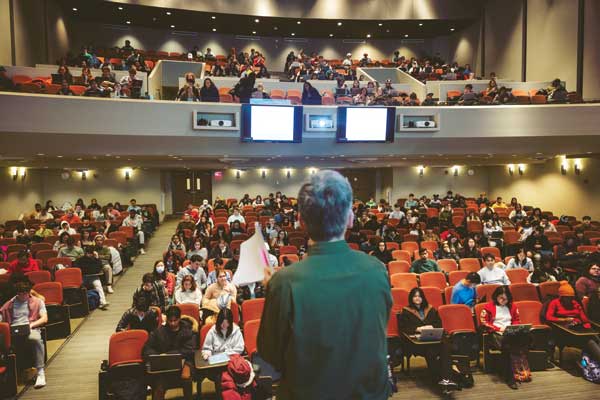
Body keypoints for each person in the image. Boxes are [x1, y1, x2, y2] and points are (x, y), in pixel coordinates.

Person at [259, 170, 392, 399]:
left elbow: (270, 354)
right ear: (350, 217)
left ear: (300, 220)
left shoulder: (284, 283)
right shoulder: (377, 270)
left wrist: (275, 290)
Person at [398, 288, 457, 391]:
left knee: (445, 347)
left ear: (423, 297)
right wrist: (417, 329)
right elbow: (403, 328)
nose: (417, 298)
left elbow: (439, 324)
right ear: (411, 298)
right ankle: (443, 379)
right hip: (417, 343)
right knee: (431, 352)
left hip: (432, 339)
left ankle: (445, 379)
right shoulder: (406, 311)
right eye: (415, 296)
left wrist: (431, 327)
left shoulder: (431, 309)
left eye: (419, 296)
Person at [478, 286, 529, 389]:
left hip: (510, 332)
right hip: (495, 333)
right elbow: (484, 322)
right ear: (496, 296)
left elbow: (516, 320)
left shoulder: (512, 306)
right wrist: (498, 328)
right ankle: (510, 378)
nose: (503, 301)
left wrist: (512, 328)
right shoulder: (488, 307)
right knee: (507, 347)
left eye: (505, 299)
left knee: (526, 337)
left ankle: (514, 373)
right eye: (500, 298)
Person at [0, 279, 48, 388]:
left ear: (29, 292)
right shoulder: (10, 303)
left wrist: (31, 325)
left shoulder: (37, 301)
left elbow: (44, 319)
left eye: (24, 294)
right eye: (19, 294)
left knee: (35, 339)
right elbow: (1, 317)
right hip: (13, 330)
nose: (22, 296)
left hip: (31, 328)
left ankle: (40, 372)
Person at [143, 306, 194, 400]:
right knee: (159, 386)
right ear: (166, 319)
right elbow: (147, 349)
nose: (173, 323)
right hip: (164, 367)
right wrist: (158, 356)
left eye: (175, 320)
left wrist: (170, 354)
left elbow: (189, 350)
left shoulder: (187, 330)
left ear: (179, 318)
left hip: (183, 364)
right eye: (170, 321)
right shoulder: (159, 332)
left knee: (187, 379)